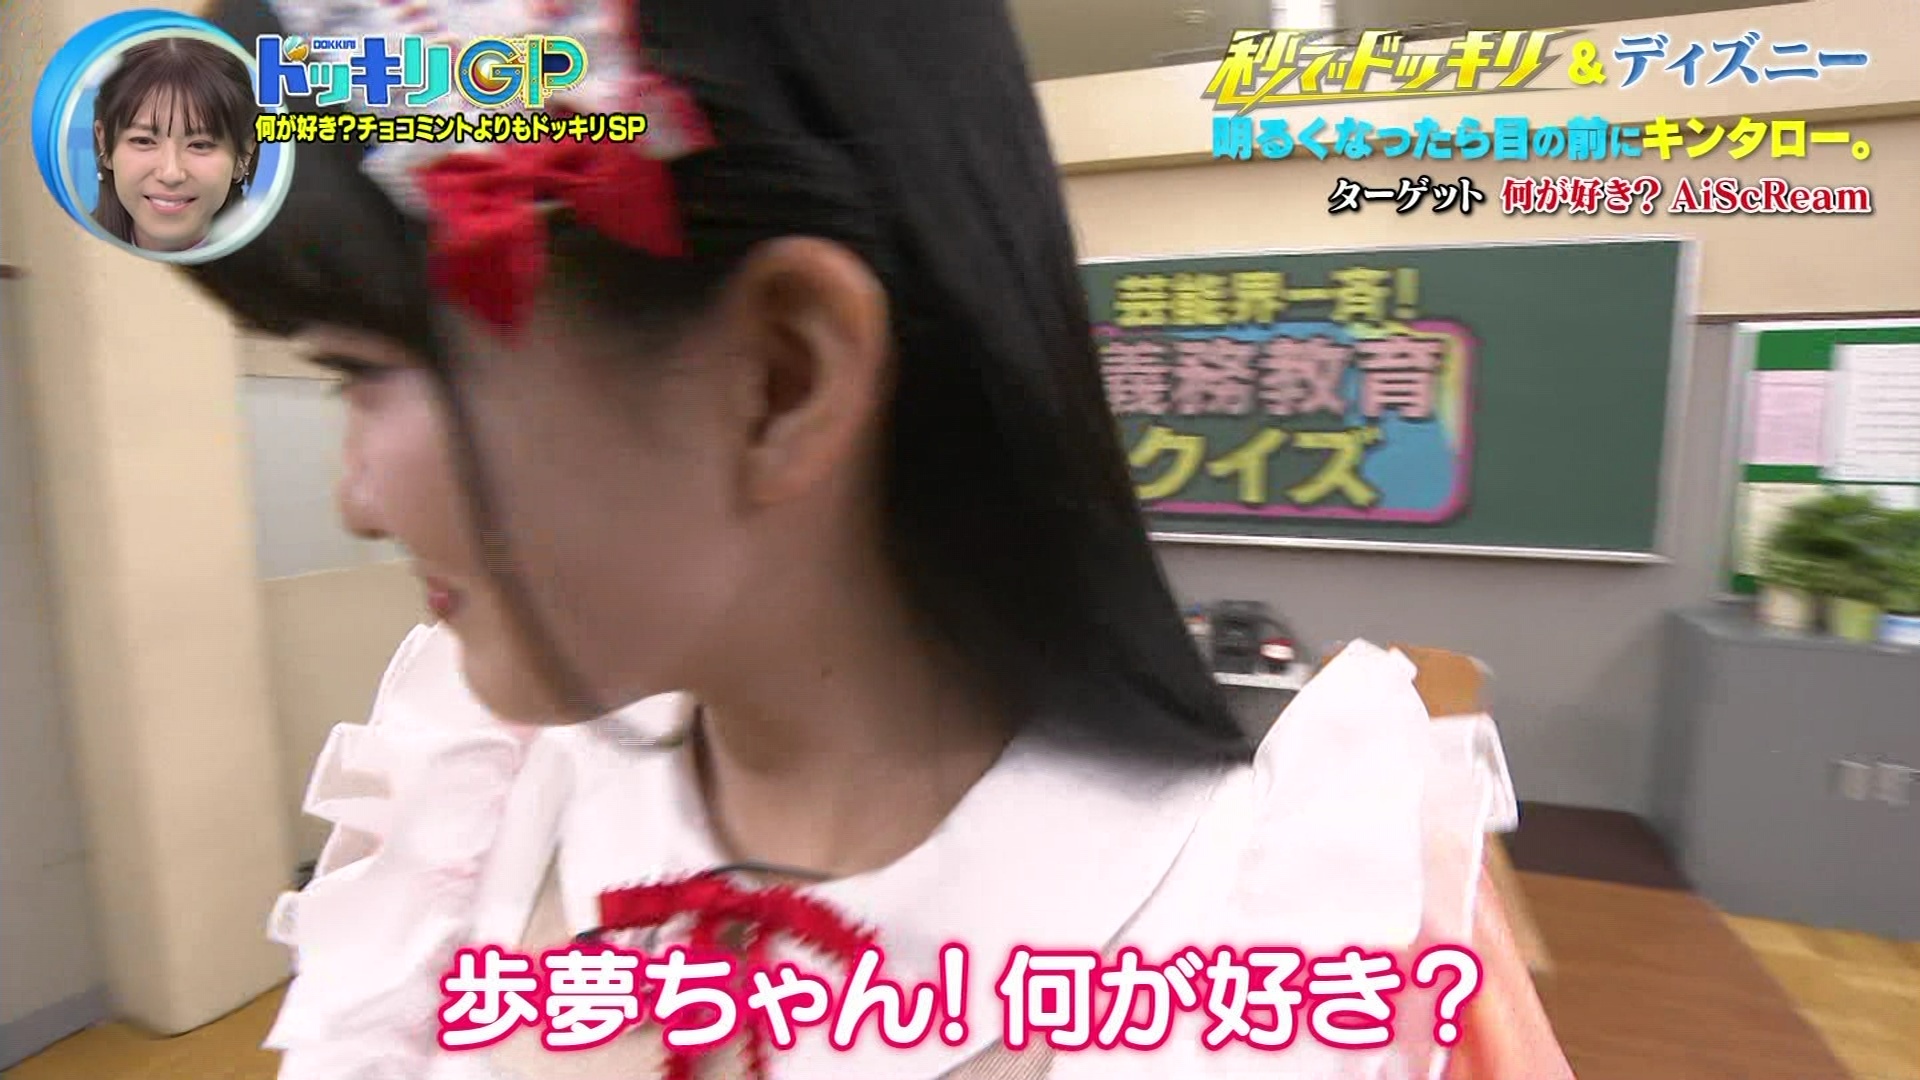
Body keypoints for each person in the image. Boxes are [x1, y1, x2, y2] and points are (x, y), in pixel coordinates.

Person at [183, 0, 1575, 1077]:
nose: (355, 498)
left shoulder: (1288, 945)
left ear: (782, 378)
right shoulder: (485, 811)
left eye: (367, 371)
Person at [92, 36, 259, 253]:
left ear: (244, 153)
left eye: (200, 145)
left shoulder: (282, 267)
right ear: (104, 143)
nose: (171, 174)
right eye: (143, 141)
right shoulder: (64, 258)